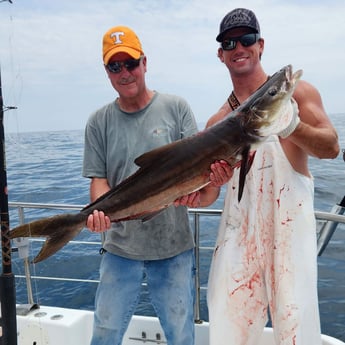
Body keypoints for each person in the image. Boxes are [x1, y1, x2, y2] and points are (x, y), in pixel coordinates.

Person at [198, 8, 340, 345]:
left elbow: (331, 147)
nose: (239, 47)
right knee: (227, 325)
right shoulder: (216, 123)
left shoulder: (296, 93)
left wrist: (290, 125)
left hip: (288, 233)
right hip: (237, 233)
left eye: (247, 39)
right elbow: (206, 196)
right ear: (221, 54)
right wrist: (208, 186)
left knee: (295, 328)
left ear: (260, 45)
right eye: (230, 42)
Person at [82, 25, 198, 345]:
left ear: (145, 63)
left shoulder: (177, 109)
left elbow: (199, 171)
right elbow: (99, 180)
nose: (125, 72)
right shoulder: (98, 121)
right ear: (106, 72)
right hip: (119, 248)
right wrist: (99, 214)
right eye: (114, 66)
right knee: (105, 333)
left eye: (130, 63)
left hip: (173, 248)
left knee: (180, 333)